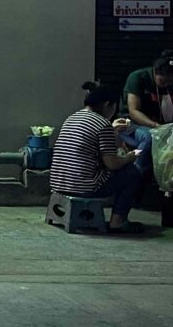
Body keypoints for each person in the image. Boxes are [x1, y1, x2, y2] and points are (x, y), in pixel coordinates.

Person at [51, 81, 145, 233]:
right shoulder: (102, 124)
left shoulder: (72, 118)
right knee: (133, 173)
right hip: (83, 187)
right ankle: (118, 221)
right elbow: (113, 164)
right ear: (108, 104)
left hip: (58, 184)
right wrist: (130, 157)